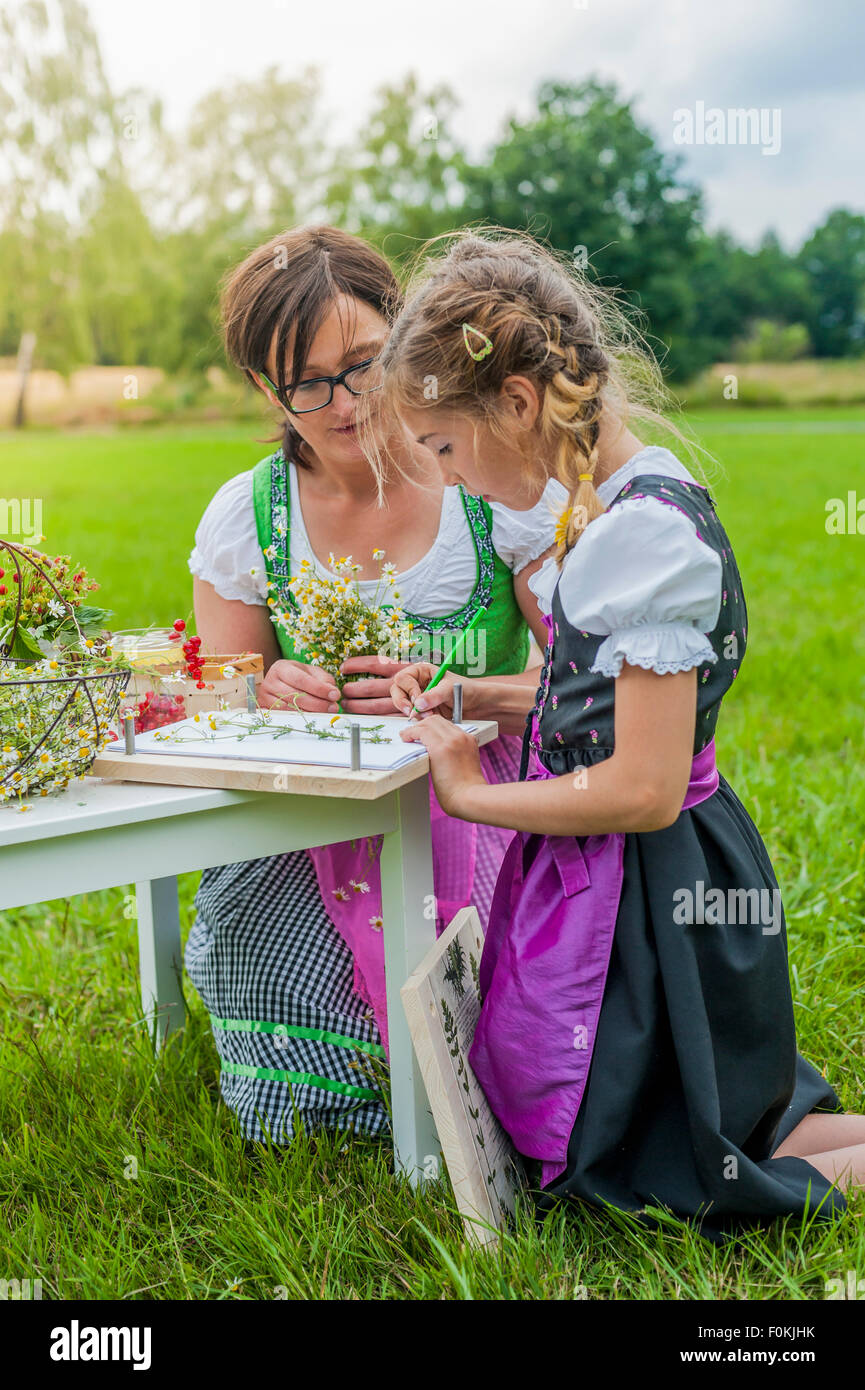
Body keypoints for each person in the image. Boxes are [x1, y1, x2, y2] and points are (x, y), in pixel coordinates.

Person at [378, 228, 865, 1237]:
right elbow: (603, 693)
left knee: (677, 1169)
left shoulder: (636, 537)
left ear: (516, 404)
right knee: (720, 1127)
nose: (453, 479)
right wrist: (482, 694)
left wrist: (469, 792)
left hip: (650, 892)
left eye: (444, 448)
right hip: (655, 876)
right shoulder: (615, 506)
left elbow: (640, 784)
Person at [185, 225, 564, 1144]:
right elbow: (215, 699)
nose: (343, 402)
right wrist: (268, 688)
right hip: (320, 809)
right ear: (263, 388)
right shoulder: (249, 512)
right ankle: (346, 1094)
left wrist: (463, 694)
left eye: (362, 364)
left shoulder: (488, 476)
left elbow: (578, 678)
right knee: (254, 925)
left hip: (480, 782)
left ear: (406, 334)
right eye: (303, 383)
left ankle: (482, 1084)